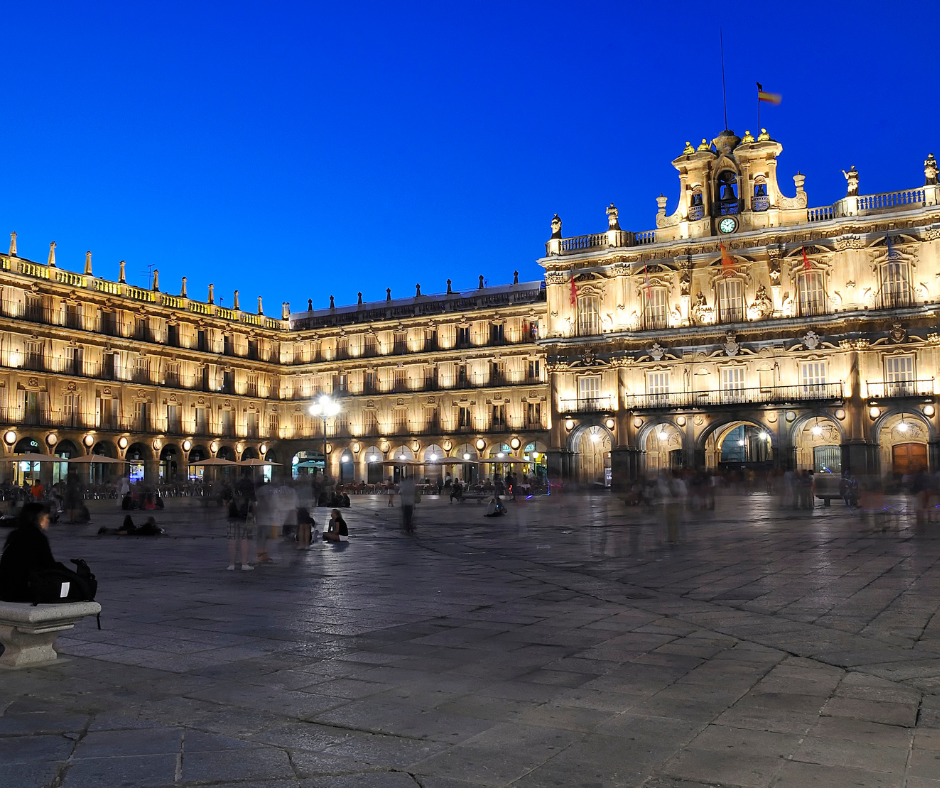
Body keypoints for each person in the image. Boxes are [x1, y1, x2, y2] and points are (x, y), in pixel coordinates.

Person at [0, 502, 57, 602]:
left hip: (6, 591)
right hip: (24, 592)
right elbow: (49, 565)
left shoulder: (14, 535)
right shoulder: (38, 538)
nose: (48, 521)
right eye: (45, 517)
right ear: (36, 519)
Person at [226, 494, 254, 570]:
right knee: (244, 539)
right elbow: (252, 506)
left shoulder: (231, 488)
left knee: (232, 539)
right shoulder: (247, 491)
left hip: (232, 518)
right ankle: (244, 564)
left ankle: (232, 564)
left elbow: (225, 502)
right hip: (243, 518)